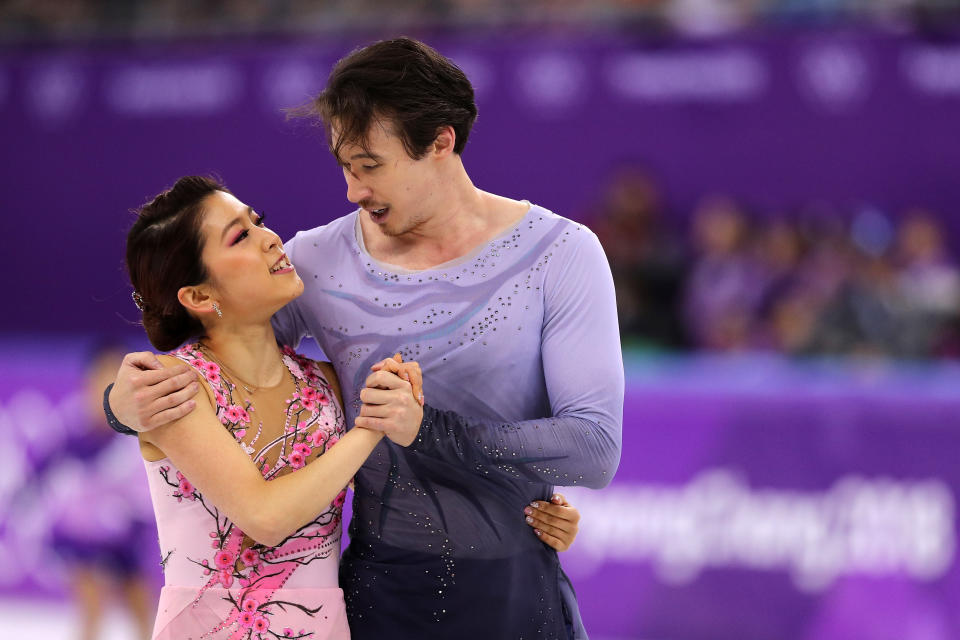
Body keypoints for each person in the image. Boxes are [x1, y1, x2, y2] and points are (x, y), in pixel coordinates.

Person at [107, 37, 621, 639]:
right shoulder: (316, 261)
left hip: (519, 593)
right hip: (379, 599)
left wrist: (442, 440)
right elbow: (216, 358)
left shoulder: (558, 253)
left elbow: (594, 447)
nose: (353, 190)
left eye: (370, 166)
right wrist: (121, 409)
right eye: (345, 167)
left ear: (440, 142)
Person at [118, 176, 581, 639]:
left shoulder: (326, 384)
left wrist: (530, 506)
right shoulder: (176, 389)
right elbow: (266, 518)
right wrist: (372, 425)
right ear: (199, 296)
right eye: (240, 236)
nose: (270, 238)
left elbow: (404, 485)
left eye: (257, 221)